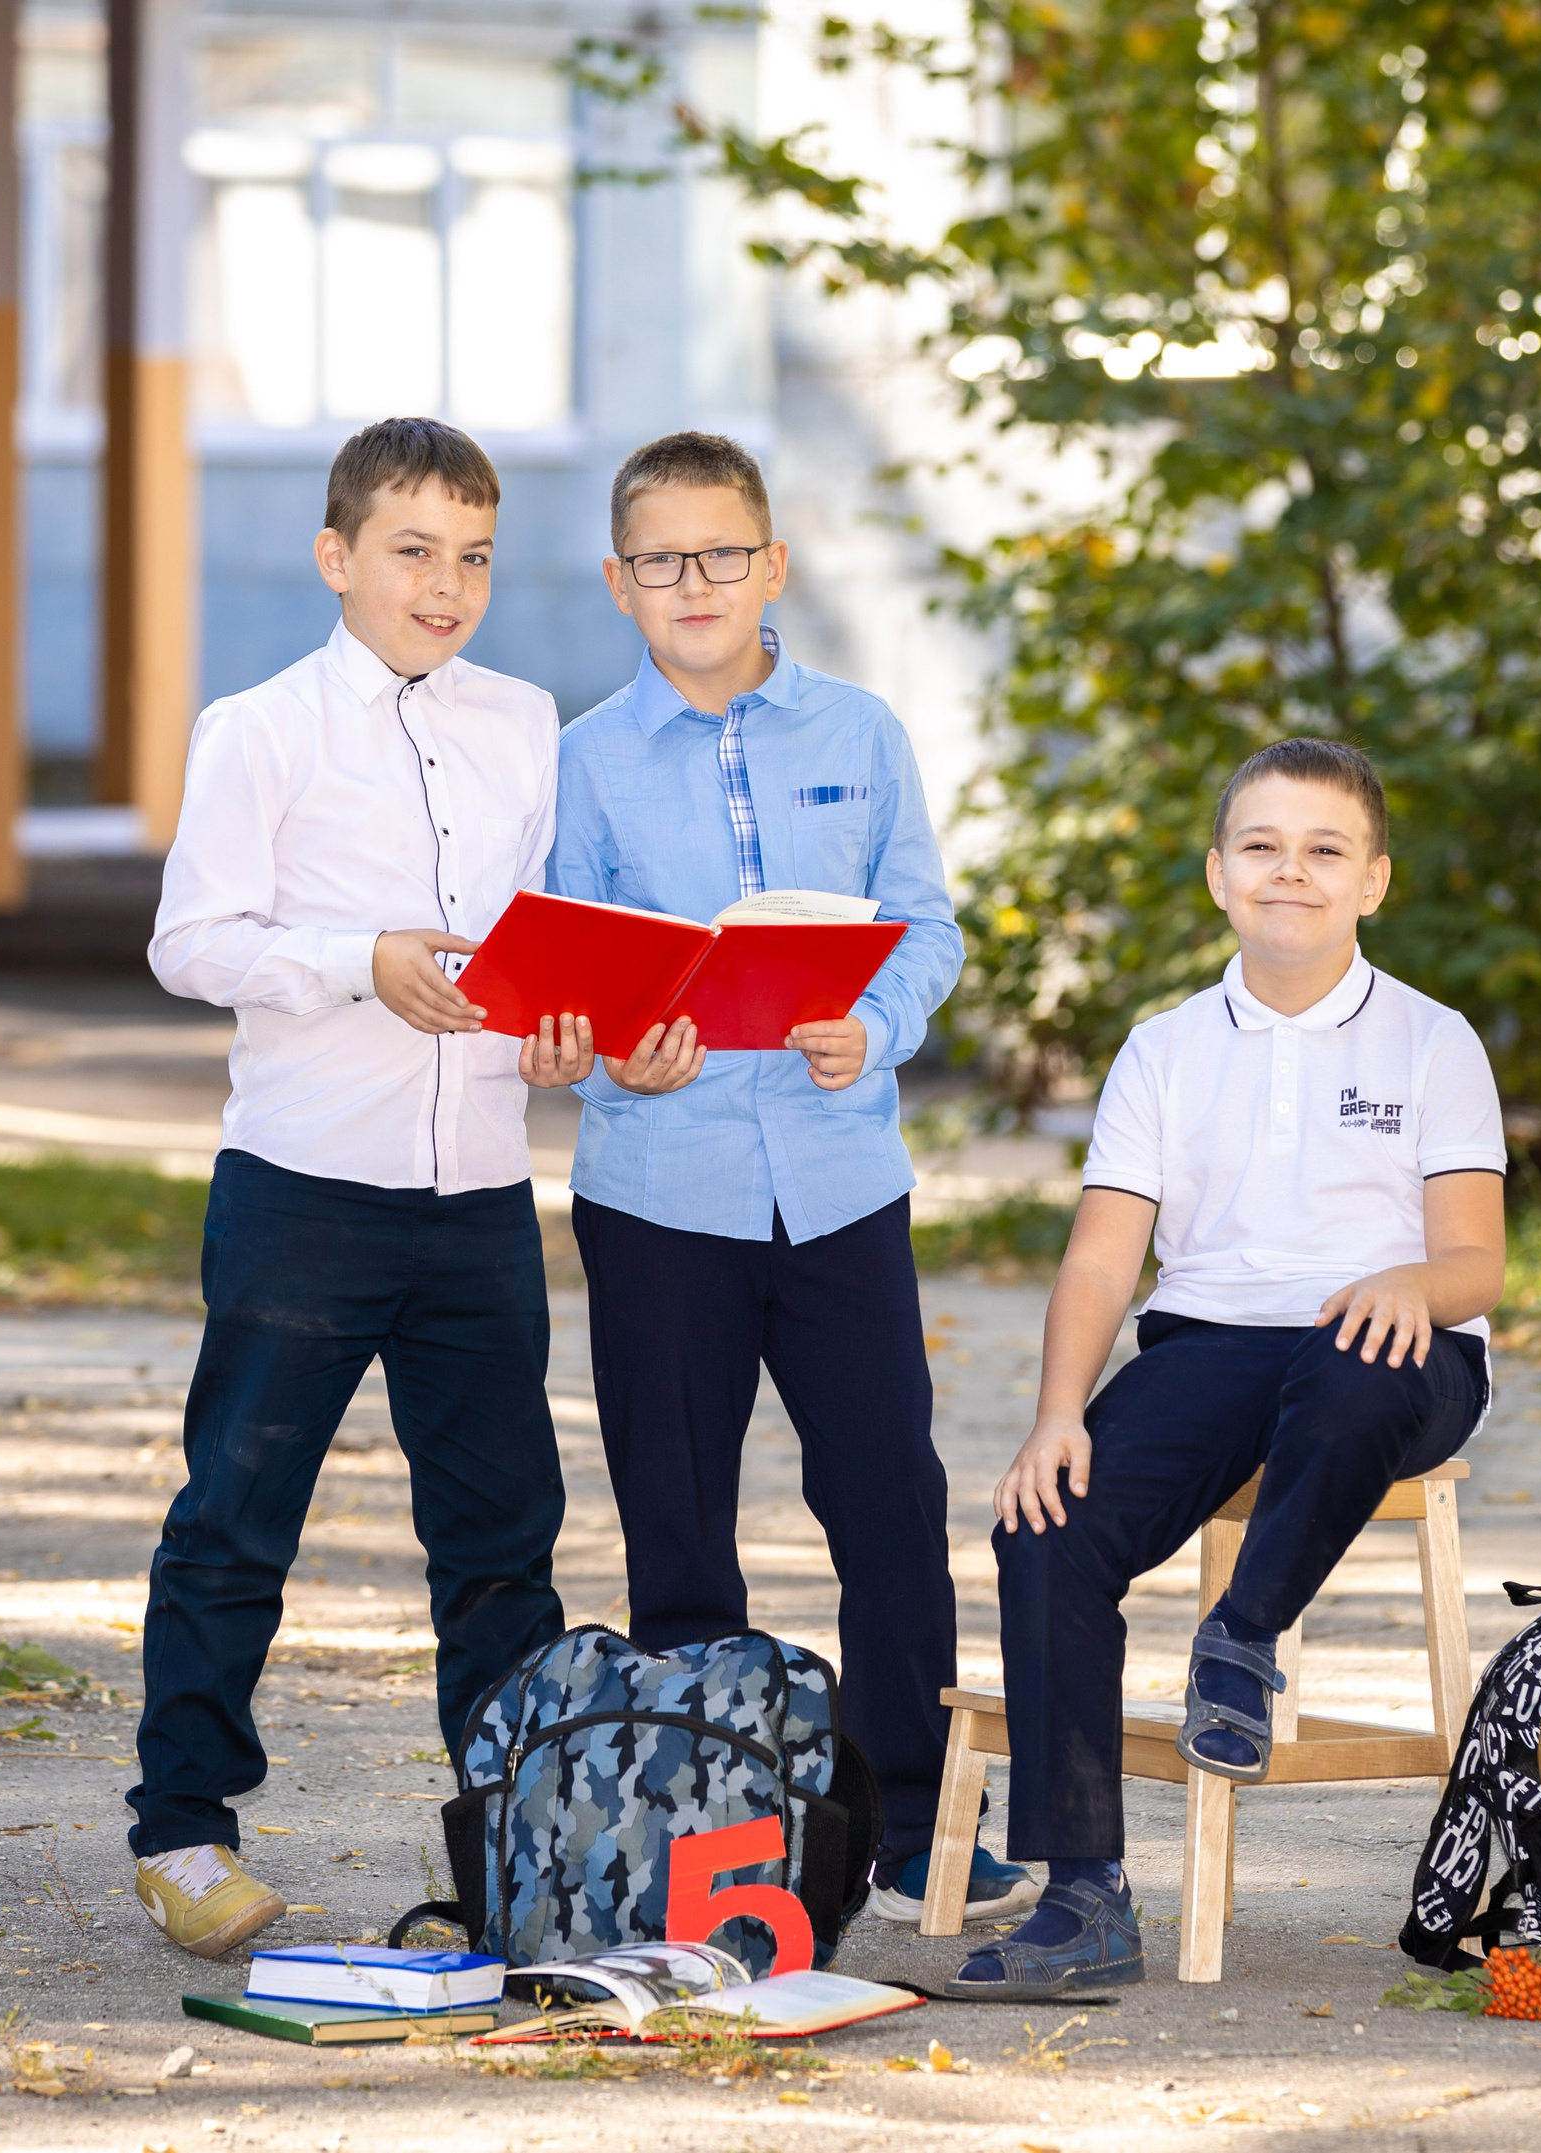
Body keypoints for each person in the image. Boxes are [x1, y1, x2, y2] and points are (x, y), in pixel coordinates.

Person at [548, 431, 1037, 1927]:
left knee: (889, 1500)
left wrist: (875, 1023)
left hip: (837, 1183)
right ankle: (717, 1836)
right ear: (622, 581)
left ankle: (910, 1837)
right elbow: (565, 974)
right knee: (676, 1515)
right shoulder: (587, 757)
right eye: (661, 560)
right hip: (659, 1192)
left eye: (721, 554)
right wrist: (609, 1053)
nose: (693, 583)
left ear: (773, 564)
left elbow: (927, 928)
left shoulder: (864, 733)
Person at [128, 418, 595, 1957]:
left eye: (472, 555)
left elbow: (539, 942)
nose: (446, 584)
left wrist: (564, 1026)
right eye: (412, 551)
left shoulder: (529, 721)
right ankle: (185, 1831)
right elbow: (191, 943)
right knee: (236, 1516)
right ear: (337, 558)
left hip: (478, 1202)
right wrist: (360, 966)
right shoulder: (257, 728)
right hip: (303, 1189)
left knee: (502, 1536)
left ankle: (510, 1844)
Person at [951, 738, 1509, 1998]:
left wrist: (1410, 1283)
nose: (1290, 871)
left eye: (1324, 849)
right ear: (1217, 875)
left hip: (1398, 1353)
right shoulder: (1163, 1046)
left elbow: (1476, 1262)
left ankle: (1241, 1637)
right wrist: (1053, 1416)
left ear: (1373, 880)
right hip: (1210, 1343)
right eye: (1261, 845)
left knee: (1351, 1367)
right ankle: (1084, 1895)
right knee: (1048, 1525)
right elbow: (1102, 1264)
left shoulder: (1433, 1040)